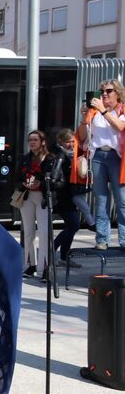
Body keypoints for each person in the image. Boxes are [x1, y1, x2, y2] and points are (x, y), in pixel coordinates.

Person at [77, 80, 125, 250]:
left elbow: (120, 126)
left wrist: (103, 110)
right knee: (101, 200)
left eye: (109, 91)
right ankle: (102, 239)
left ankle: (124, 239)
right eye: (102, 91)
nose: (104, 94)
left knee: (122, 200)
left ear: (118, 93)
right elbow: (82, 137)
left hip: (117, 157)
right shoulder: (94, 112)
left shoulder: (121, 110)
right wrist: (84, 119)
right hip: (98, 156)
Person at [16, 130, 52, 277]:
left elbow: (57, 181)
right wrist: (24, 184)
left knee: (44, 233)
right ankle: (29, 265)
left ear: (42, 142)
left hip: (43, 197)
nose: (32, 142)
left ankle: (44, 269)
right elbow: (16, 178)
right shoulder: (25, 159)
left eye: (35, 140)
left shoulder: (50, 159)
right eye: (30, 140)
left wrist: (40, 184)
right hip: (27, 197)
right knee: (28, 232)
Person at [49, 129, 86, 268]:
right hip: (63, 196)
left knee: (71, 226)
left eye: (73, 141)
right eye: (68, 142)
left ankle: (64, 257)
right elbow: (56, 177)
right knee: (74, 225)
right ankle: (52, 252)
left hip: (69, 195)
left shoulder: (72, 155)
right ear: (61, 142)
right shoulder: (60, 156)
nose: (71, 144)